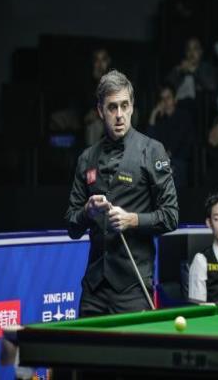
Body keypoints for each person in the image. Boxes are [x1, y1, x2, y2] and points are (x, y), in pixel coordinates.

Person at [65, 70, 179, 317]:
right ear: (100, 111)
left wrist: (132, 220)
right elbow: (72, 226)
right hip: (94, 290)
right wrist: (86, 212)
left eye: (124, 106)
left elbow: (171, 216)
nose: (119, 115)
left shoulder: (152, 151)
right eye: (112, 107)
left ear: (132, 106)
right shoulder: (86, 158)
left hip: (133, 288)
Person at [146, 85, 194, 188]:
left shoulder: (183, 116)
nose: (165, 102)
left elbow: (176, 144)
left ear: (175, 99)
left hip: (178, 162)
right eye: (162, 99)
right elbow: (149, 141)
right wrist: (154, 114)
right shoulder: (161, 120)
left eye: (168, 98)